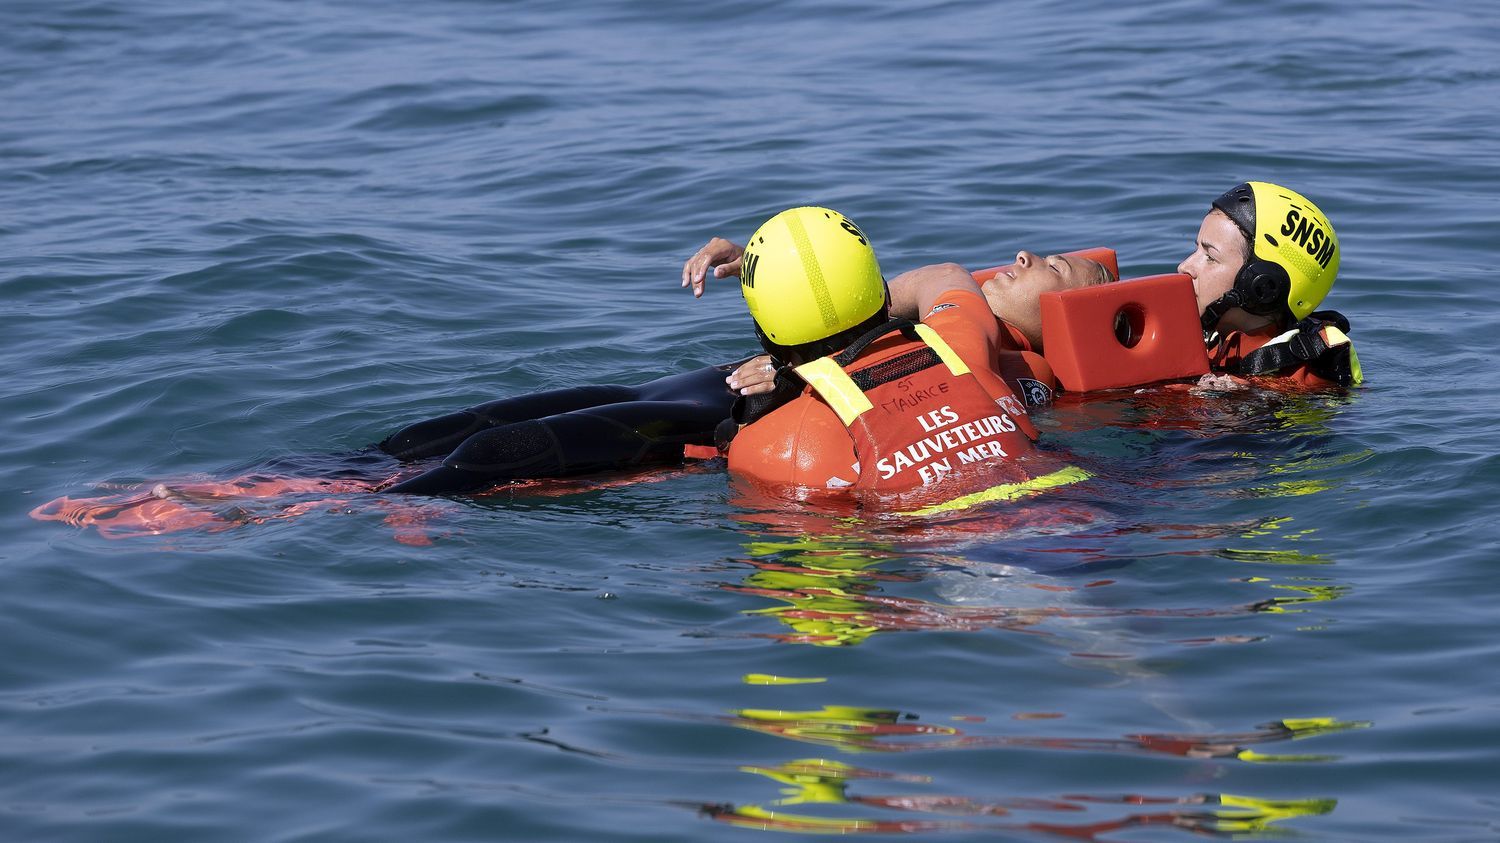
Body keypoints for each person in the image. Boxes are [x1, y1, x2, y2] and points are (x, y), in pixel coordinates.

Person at [709, 206, 1060, 500]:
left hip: (963, 558)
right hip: (1073, 503)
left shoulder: (778, 444)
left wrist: (784, 282)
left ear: (766, 334)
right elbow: (945, 274)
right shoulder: (960, 341)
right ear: (884, 296)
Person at [1177, 181, 1360, 387]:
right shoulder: (1212, 339)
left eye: (1210, 257)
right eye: (1196, 250)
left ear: (1261, 286)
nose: (1184, 267)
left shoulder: (1297, 381)